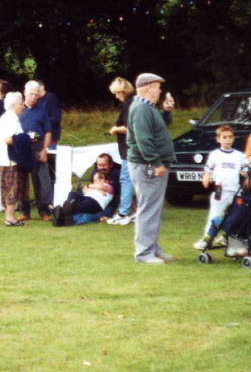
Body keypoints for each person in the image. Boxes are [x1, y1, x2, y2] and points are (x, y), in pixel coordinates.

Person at [127, 73, 176, 265]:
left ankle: (152, 249)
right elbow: (143, 140)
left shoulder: (147, 107)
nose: (160, 90)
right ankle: (144, 253)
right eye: (157, 87)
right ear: (149, 88)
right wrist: (156, 163)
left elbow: (157, 128)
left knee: (153, 208)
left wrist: (166, 112)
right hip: (147, 166)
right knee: (148, 208)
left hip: (148, 164)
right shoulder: (141, 108)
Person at [194, 125, 243, 250]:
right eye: (224, 137)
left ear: (234, 138)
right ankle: (207, 239)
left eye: (230, 137)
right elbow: (208, 169)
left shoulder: (239, 155)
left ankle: (226, 238)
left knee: (234, 215)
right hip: (220, 190)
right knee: (216, 215)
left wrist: (247, 174)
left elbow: (245, 170)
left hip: (235, 190)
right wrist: (206, 176)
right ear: (218, 139)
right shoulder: (215, 154)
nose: (227, 140)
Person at [19, 81, 54, 221]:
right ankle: (24, 211)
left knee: (41, 181)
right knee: (22, 181)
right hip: (21, 150)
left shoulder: (42, 110)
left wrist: (45, 150)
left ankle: (44, 211)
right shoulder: (17, 109)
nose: (34, 97)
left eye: (36, 94)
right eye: (31, 94)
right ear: (24, 92)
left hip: (38, 149)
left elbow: (48, 132)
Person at [106, 77, 137, 226]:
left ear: (122, 91)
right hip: (133, 148)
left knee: (126, 179)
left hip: (129, 148)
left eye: (117, 93)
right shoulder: (135, 102)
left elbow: (130, 127)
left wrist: (115, 130)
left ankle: (123, 213)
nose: (116, 97)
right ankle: (140, 211)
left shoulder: (129, 105)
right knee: (136, 180)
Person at [51, 156, 117, 226]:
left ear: (107, 181)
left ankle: (59, 213)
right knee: (72, 194)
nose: (97, 182)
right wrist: (93, 187)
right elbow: (84, 190)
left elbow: (101, 187)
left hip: (95, 202)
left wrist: (91, 187)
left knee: (79, 207)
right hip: (87, 198)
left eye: (100, 179)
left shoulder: (109, 187)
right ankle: (68, 206)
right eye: (95, 180)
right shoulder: (93, 186)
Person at [0, 91, 28, 226]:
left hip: (10, 158)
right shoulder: (10, 118)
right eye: (21, 103)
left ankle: (11, 216)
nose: (23, 106)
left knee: (12, 187)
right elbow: (8, 139)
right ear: (14, 104)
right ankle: (10, 218)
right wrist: (26, 138)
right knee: (11, 188)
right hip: (10, 159)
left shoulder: (10, 117)